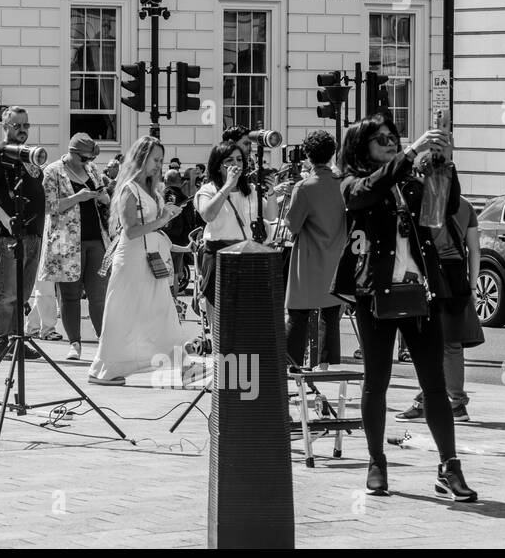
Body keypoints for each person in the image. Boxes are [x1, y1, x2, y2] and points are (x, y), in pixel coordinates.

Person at [332, 115, 476, 501]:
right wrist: (410, 154)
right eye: (381, 139)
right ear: (362, 147)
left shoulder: (411, 178)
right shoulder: (351, 181)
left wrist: (444, 163)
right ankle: (377, 462)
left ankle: (450, 467)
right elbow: (364, 193)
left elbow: (443, 210)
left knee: (434, 384)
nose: (391, 143)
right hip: (375, 293)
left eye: (393, 138)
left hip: (419, 291)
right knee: (375, 381)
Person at [89, 136, 190, 384]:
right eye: (155, 160)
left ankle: (182, 363)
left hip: (149, 256)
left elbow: (148, 226)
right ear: (142, 159)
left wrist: (166, 213)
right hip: (133, 258)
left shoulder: (150, 188)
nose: (159, 165)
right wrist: (163, 220)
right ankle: (104, 369)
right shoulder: (129, 189)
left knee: (163, 308)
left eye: (161, 160)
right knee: (122, 313)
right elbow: (131, 230)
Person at [396, 181, 484, 423]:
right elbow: (475, 249)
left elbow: (416, 246)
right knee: (451, 344)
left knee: (430, 344)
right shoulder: (466, 206)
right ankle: (447, 402)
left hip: (432, 276)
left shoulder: (425, 205)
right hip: (458, 277)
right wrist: (474, 285)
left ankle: (446, 401)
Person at [0, 106, 45, 360]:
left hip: (33, 233)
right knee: (6, 292)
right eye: (17, 126)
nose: (23, 130)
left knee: (23, 293)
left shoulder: (27, 156)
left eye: (26, 125)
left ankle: (17, 339)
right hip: (9, 235)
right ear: (5, 127)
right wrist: (5, 219)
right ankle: (1, 342)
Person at [37, 134, 111, 360]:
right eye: (84, 158)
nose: (87, 162)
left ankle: (104, 343)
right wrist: (78, 197)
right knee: (70, 294)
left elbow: (104, 195)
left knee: (99, 294)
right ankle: (74, 344)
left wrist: (103, 197)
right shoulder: (52, 171)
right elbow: (48, 206)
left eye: (90, 158)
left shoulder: (92, 169)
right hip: (65, 242)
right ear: (71, 152)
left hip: (96, 238)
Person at [281, 130, 346, 374]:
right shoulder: (341, 183)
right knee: (330, 313)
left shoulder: (305, 186)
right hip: (335, 254)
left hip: (309, 256)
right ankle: (327, 364)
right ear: (332, 154)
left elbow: (292, 225)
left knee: (297, 313)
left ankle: (292, 364)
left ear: (308, 155)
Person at [194, 141, 278, 314]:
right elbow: (207, 215)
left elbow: (271, 215)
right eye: (230, 160)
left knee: (246, 319)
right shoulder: (208, 190)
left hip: (248, 256)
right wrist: (228, 186)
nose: (236, 165)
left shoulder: (251, 190)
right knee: (220, 319)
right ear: (218, 166)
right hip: (220, 256)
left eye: (239, 160)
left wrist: (271, 192)